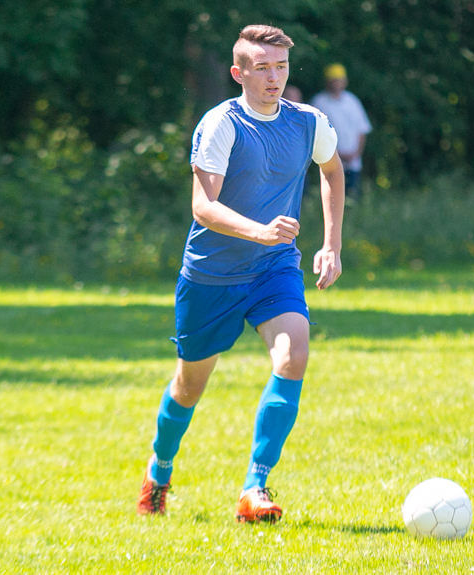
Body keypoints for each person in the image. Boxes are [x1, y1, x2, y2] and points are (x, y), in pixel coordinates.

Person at [136, 24, 344, 523]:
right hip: (212, 275)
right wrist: (259, 231)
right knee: (189, 386)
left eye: (282, 68)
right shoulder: (221, 124)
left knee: (294, 351)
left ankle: (256, 487)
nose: (274, 78)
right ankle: (159, 470)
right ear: (239, 72)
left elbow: (332, 172)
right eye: (263, 68)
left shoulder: (309, 121)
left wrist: (331, 244)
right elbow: (202, 207)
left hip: (273, 268)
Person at [310, 63, 372, 200]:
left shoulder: (352, 101)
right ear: (327, 81)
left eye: (339, 80)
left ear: (345, 81)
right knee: (332, 199)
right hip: (329, 162)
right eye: (334, 80)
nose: (337, 83)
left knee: (353, 198)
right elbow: (315, 134)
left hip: (353, 162)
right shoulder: (319, 102)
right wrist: (337, 154)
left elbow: (362, 130)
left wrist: (356, 154)